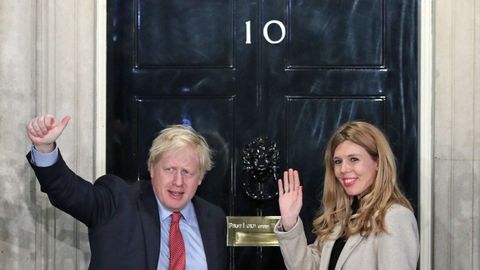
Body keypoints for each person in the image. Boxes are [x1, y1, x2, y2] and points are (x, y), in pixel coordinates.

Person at [26, 114, 227, 270]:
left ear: (200, 177)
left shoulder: (213, 219)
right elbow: (69, 193)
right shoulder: (118, 201)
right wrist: (45, 148)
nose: (178, 181)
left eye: (187, 172)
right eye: (170, 169)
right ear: (152, 169)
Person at [275, 121, 419, 270]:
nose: (343, 169)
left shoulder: (394, 217)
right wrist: (289, 223)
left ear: (378, 162)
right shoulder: (341, 216)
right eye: (338, 161)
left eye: (354, 159)